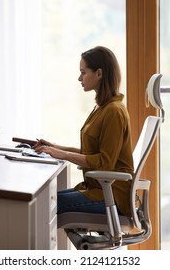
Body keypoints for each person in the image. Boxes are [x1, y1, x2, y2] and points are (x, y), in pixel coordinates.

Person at [34, 46, 134, 217]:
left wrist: (63, 155)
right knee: (42, 199)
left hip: (111, 197)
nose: (79, 78)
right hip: (98, 190)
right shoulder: (102, 108)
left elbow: (104, 162)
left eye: (83, 72)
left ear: (99, 74)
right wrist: (55, 148)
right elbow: (92, 153)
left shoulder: (114, 111)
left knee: (41, 205)